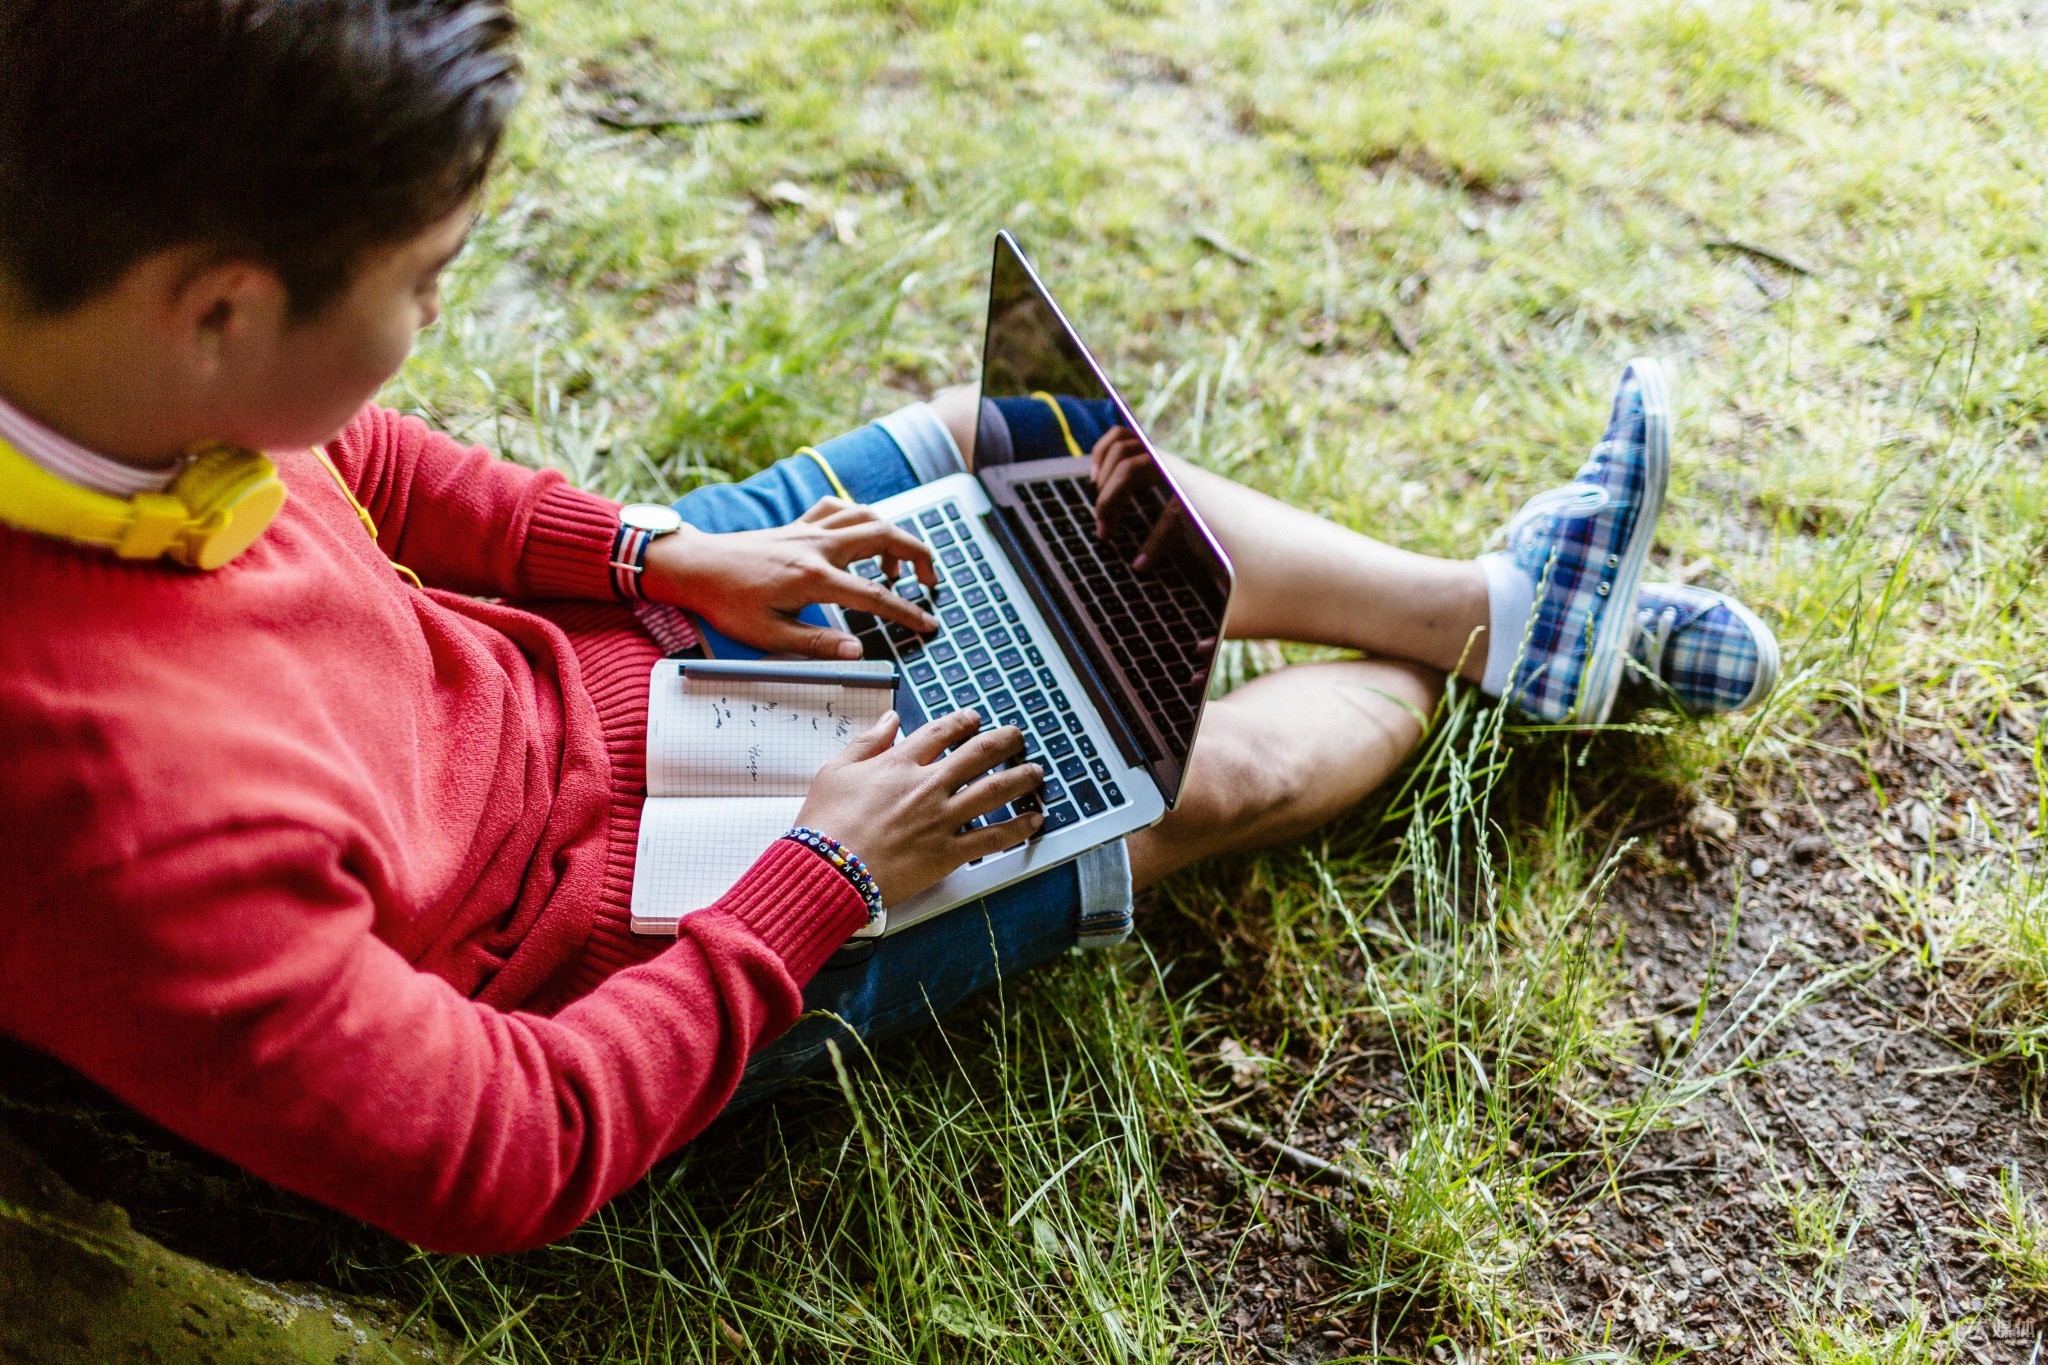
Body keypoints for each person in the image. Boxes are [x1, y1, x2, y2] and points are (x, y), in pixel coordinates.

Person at [0, 0, 1777, 1255]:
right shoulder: (111, 808)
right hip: (619, 918)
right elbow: (504, 1144)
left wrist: (657, 556)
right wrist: (819, 876)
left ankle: (1509, 618)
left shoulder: (109, 371)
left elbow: (364, 455)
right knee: (1163, 781)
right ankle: (1458, 676)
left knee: (1009, 458)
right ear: (223, 308)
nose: (433, 319)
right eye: (425, 278)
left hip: (606, 677)